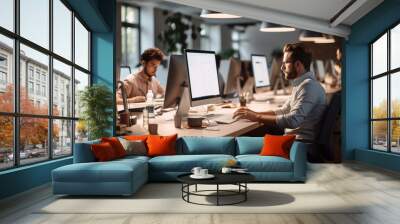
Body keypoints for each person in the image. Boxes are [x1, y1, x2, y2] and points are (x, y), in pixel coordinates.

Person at [233, 43, 327, 142]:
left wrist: (257, 117)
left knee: (238, 143)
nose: (282, 68)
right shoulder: (302, 84)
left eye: (285, 63)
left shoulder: (308, 86)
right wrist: (253, 113)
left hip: (297, 145)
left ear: (298, 65)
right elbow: (284, 110)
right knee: (245, 141)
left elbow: (293, 120)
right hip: (292, 141)